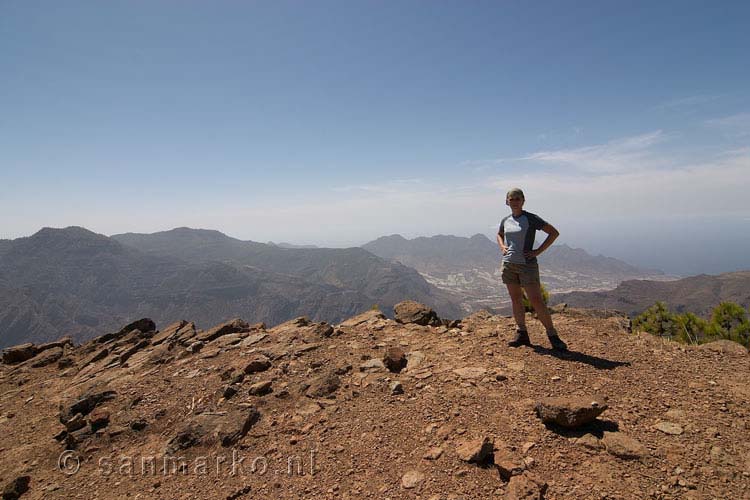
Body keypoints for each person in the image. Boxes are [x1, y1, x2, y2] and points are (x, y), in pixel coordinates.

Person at [497, 188, 568, 351]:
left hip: (527, 266)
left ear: (523, 200)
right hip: (509, 264)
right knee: (516, 299)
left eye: (517, 198)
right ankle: (522, 333)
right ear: (506, 201)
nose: (514, 201)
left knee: (536, 301)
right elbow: (499, 234)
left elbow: (553, 233)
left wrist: (538, 251)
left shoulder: (530, 218)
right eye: (511, 198)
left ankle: (553, 335)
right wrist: (502, 246)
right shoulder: (506, 220)